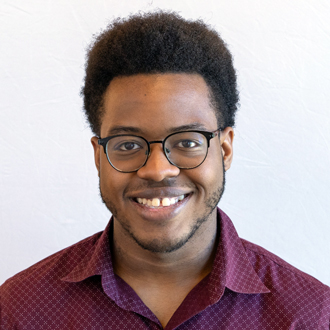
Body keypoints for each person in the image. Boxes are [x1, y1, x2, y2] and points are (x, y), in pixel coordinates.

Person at [0, 11, 329, 330]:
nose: (158, 170)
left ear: (225, 149)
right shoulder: (20, 310)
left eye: (187, 142)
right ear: (99, 156)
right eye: (128, 144)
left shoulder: (310, 315)